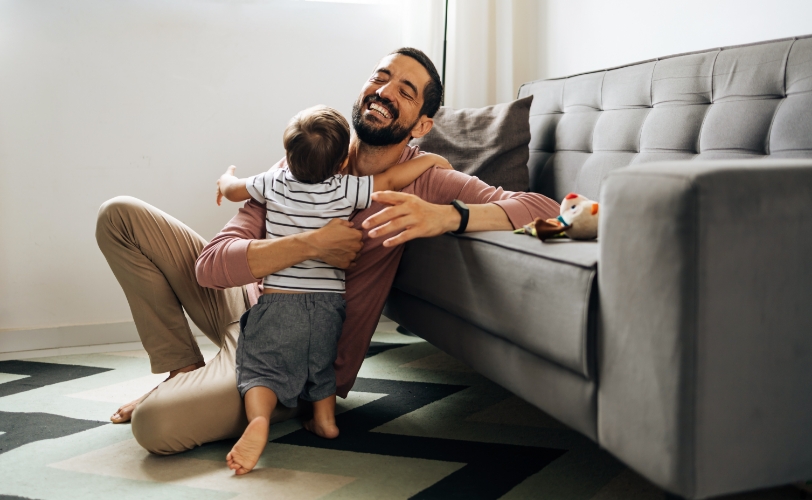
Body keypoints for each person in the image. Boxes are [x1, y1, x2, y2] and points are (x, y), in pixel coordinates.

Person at [95, 47, 560, 455]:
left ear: (421, 124)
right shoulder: (310, 158)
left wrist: (446, 217)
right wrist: (311, 245)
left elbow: (542, 209)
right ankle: (182, 371)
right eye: (380, 77)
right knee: (120, 215)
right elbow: (212, 266)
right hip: (247, 304)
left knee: (154, 426)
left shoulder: (427, 179)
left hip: (299, 355)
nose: (385, 91)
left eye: (406, 90)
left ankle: (249, 396)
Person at [214, 104, 452, 474]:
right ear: (344, 160)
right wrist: (429, 160)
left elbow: (231, 191)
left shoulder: (272, 181)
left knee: (260, 369)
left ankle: (258, 420)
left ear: (288, 156)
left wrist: (226, 178)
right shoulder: (345, 188)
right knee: (319, 365)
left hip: (279, 301)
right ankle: (325, 420)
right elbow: (390, 180)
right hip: (328, 305)